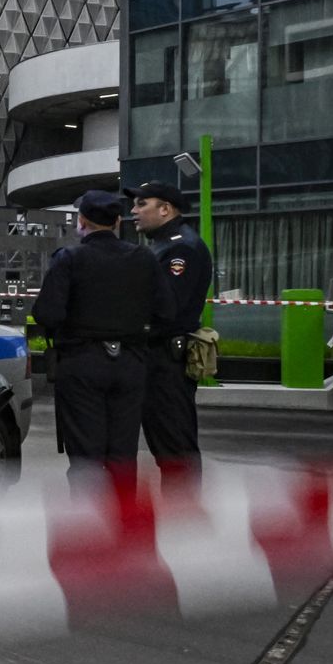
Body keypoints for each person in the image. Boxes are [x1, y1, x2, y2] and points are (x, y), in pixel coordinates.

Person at [31, 191, 173, 491]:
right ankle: (123, 522)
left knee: (86, 455)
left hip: (82, 363)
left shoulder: (69, 258)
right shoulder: (144, 258)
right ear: (118, 221)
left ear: (82, 221)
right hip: (131, 363)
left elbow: (46, 313)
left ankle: (90, 527)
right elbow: (166, 312)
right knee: (123, 454)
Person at [125, 180, 214, 483]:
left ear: (165, 209)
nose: (133, 211)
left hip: (166, 360)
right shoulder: (163, 244)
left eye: (141, 204)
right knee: (166, 447)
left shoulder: (179, 248)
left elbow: (167, 309)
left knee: (175, 448)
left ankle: (184, 522)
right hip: (157, 357)